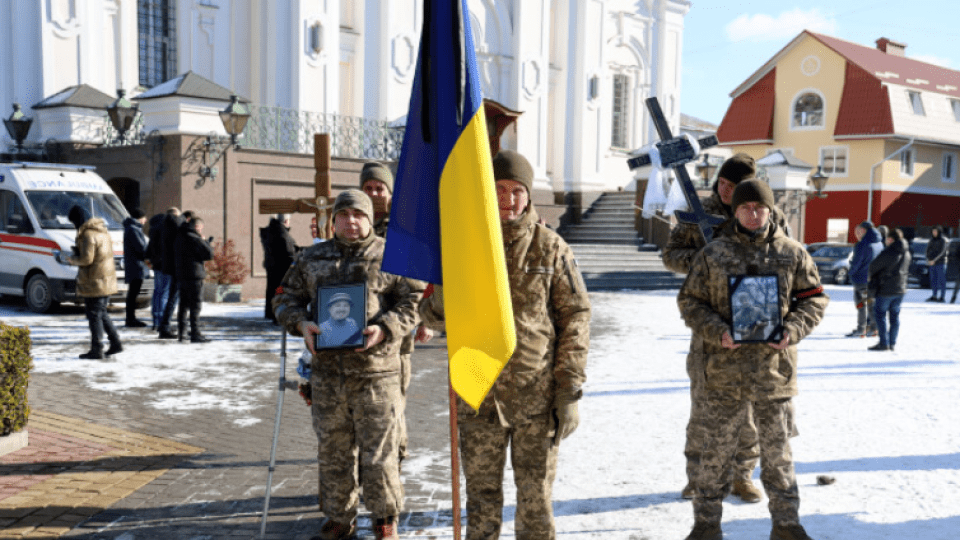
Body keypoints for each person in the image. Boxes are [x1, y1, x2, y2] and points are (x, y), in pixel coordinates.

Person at [418, 150, 591, 540]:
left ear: (529, 196)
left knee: (535, 503)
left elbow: (576, 318)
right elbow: (431, 317)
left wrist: (569, 390)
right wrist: (444, 291)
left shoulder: (551, 248)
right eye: (499, 188)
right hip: (478, 392)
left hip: (537, 397)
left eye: (517, 190)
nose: (508, 198)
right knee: (481, 501)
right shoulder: (463, 246)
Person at [677, 179, 828, 540]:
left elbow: (814, 298)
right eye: (745, 207)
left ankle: (787, 525)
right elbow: (690, 302)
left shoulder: (792, 253)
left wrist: (792, 328)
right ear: (735, 211)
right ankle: (706, 525)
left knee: (778, 456)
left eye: (760, 207)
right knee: (716, 454)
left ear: (771, 209)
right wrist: (717, 330)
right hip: (723, 373)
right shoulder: (714, 254)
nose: (753, 213)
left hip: (773, 373)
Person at [272, 190, 425, 540]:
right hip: (327, 376)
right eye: (344, 215)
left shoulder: (393, 254)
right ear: (333, 220)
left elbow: (416, 298)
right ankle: (340, 517)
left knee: (380, 453)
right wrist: (300, 323)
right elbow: (283, 297)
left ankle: (385, 517)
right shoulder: (312, 257)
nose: (351, 222)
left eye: (359, 215)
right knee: (333, 450)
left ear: (370, 219)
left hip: (376, 374)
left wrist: (385, 328)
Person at [662, 152, 792, 503]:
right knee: (705, 405)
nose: (724, 190)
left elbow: (788, 257)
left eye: (733, 186)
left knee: (749, 406)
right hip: (711, 321)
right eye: (721, 183)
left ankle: (743, 475)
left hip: (755, 316)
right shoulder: (696, 212)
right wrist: (704, 260)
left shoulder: (769, 214)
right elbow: (670, 254)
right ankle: (698, 476)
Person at [359, 160, 434, 472]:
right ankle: (365, 462)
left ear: (391, 193)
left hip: (397, 329)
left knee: (393, 400)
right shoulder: (353, 222)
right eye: (369, 188)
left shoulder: (404, 228)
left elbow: (422, 275)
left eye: (381, 188)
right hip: (358, 330)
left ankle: (395, 458)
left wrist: (426, 319)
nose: (375, 194)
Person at [66, 205, 123, 360]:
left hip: (94, 281)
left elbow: (87, 259)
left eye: (73, 222)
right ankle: (115, 342)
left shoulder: (87, 235)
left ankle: (97, 349)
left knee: (94, 316)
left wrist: (72, 260)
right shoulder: (102, 232)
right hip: (105, 279)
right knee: (101, 313)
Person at [868, 228, 911, 352]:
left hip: (886, 289)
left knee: (880, 315)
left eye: (886, 238)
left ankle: (884, 343)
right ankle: (892, 343)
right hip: (901, 289)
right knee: (895, 317)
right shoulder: (907, 252)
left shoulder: (889, 252)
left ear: (890, 239)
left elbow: (874, 266)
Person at [173, 216, 214, 343]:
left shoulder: (179, 236)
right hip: (195, 275)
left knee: (183, 305)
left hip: (181, 274)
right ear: (197, 227)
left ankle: (182, 333)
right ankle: (195, 333)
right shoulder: (195, 238)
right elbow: (209, 254)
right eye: (201, 228)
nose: (201, 230)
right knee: (195, 306)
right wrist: (206, 242)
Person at [846, 221, 883, 338]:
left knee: (861, 305)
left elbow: (857, 262)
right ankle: (874, 328)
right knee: (871, 305)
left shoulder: (862, 244)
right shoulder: (879, 243)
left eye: (858, 231)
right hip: (874, 279)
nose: (856, 234)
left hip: (861, 280)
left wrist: (850, 272)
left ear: (863, 230)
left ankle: (861, 329)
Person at [261, 213, 298, 323]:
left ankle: (273, 314)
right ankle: (277, 316)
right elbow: (288, 252)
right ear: (286, 221)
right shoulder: (281, 233)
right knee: (279, 293)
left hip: (274, 269)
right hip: (281, 271)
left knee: (274, 292)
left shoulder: (272, 231)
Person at [157, 208, 185, 338]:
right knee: (174, 297)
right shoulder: (176, 224)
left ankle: (166, 326)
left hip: (170, 265)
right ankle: (166, 326)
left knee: (171, 296)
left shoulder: (164, 225)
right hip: (178, 265)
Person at [122, 208, 149, 327]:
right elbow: (141, 248)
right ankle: (130, 319)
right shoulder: (134, 229)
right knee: (133, 293)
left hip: (134, 265)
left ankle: (131, 318)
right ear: (140, 218)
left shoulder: (133, 228)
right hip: (136, 265)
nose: (145, 220)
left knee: (133, 292)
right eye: (144, 218)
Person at [146, 211, 169, 329]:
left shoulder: (153, 232)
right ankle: (161, 321)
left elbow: (147, 252)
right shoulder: (164, 232)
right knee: (164, 294)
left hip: (157, 267)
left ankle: (156, 319)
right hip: (165, 266)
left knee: (157, 293)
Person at [925, 225, 948, 302]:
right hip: (932, 263)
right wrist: (929, 259)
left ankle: (942, 297)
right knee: (933, 280)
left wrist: (934, 260)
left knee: (942, 281)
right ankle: (934, 296)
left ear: (939, 232)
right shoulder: (931, 240)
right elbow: (927, 251)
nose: (934, 233)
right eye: (933, 231)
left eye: (936, 231)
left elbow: (942, 252)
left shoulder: (943, 240)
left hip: (940, 263)